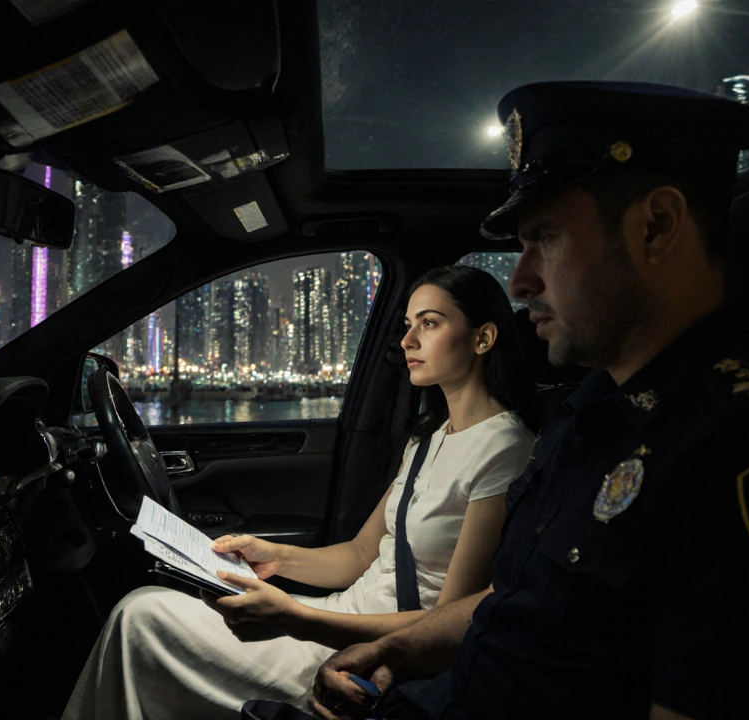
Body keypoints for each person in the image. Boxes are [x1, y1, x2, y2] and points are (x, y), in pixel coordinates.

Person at [243, 81, 749, 720]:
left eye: (545, 239)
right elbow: (517, 598)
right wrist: (399, 648)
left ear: (657, 225)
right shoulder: (588, 414)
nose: (523, 280)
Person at [62, 266, 538, 720]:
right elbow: (358, 555)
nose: (408, 340)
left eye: (429, 324)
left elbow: (447, 632)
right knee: (143, 607)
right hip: (337, 616)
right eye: (408, 324)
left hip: (370, 653)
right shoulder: (429, 437)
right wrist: (272, 556)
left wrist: (292, 617)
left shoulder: (504, 448)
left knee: (139, 617)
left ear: (483, 337)